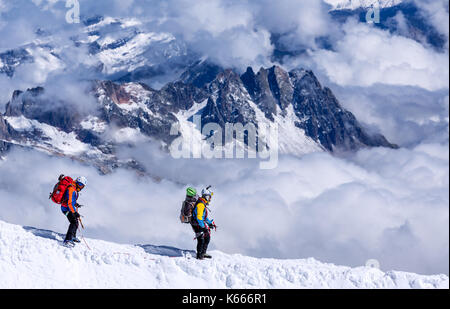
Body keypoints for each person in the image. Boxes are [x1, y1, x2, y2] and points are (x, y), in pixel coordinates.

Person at [190, 187, 217, 260]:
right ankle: (199, 256)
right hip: (196, 224)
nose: (210, 199)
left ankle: (203, 253)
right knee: (201, 239)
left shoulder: (202, 203)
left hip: (198, 223)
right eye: (209, 197)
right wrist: (203, 227)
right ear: (206, 196)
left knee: (207, 237)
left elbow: (204, 217)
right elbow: (199, 217)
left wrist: (209, 223)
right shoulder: (201, 205)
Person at [61, 176, 87, 247]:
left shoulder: (73, 188)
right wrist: (75, 212)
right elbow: (69, 203)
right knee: (73, 222)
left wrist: (76, 204)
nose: (82, 188)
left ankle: (73, 236)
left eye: (83, 186)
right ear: (79, 183)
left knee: (75, 221)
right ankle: (67, 240)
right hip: (66, 209)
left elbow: (71, 201)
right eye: (82, 185)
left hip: (68, 208)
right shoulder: (71, 189)